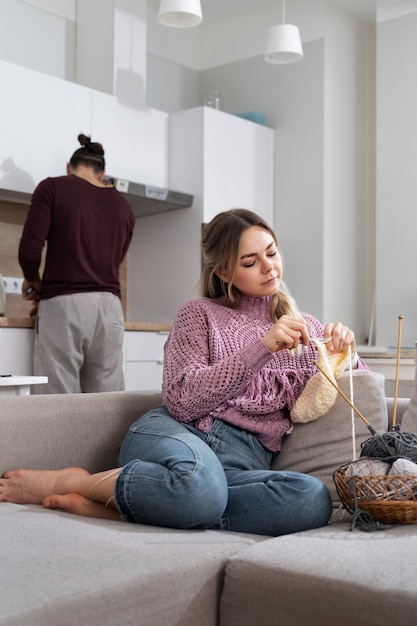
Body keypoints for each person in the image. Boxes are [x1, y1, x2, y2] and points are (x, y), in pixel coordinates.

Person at [1, 209, 367, 536]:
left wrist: (346, 349)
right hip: (177, 433)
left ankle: (144, 507)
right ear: (223, 270)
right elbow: (182, 400)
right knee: (200, 486)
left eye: (271, 252)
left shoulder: (307, 327)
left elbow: (358, 386)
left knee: (311, 499)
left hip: (242, 464)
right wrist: (263, 347)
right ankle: (74, 481)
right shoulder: (199, 313)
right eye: (250, 261)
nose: (269, 267)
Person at [18, 133, 135, 393]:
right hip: (110, 310)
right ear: (101, 174)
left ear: (69, 168)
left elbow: (29, 251)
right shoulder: (124, 207)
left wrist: (34, 280)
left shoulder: (52, 188)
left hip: (64, 306)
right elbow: (114, 261)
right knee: (106, 405)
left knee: (59, 405)